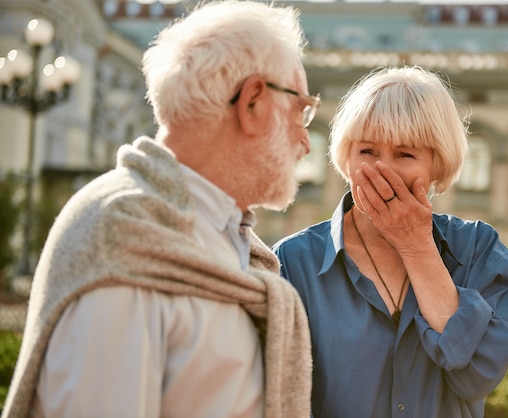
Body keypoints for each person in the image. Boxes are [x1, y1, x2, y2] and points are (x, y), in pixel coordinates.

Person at [3, 1, 319, 417]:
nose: (306, 140)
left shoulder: (219, 238)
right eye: (302, 110)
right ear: (253, 103)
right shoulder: (125, 235)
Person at [272, 66, 508, 418]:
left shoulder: (479, 251)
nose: (383, 170)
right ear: (347, 158)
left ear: (437, 166)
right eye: (367, 151)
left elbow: (476, 376)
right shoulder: (294, 261)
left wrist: (416, 246)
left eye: (405, 155)